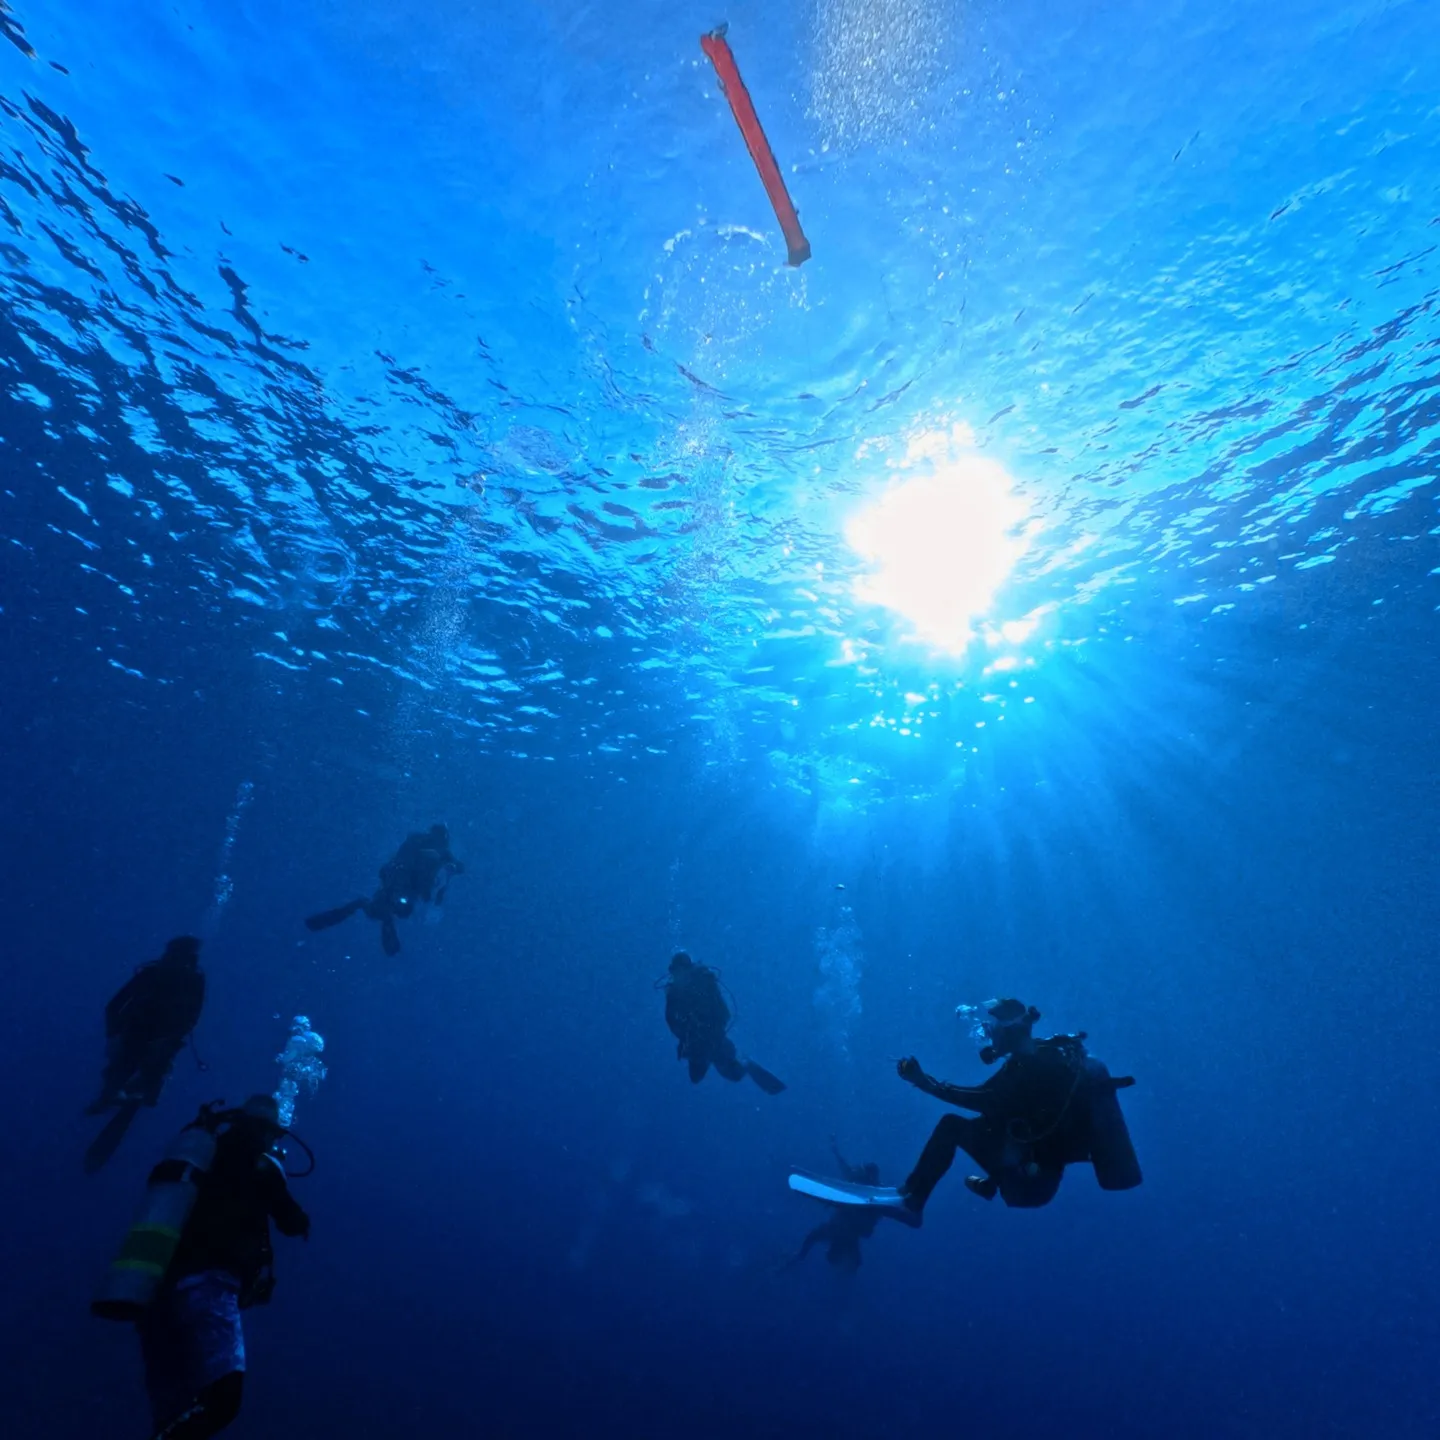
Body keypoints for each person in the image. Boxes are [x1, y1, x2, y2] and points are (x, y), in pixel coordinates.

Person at [137, 1095, 310, 1439]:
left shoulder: (205, 1152)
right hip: (208, 1286)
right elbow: (292, 1222)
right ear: (269, 1131)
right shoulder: (258, 1163)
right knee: (222, 1400)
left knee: (173, 1413)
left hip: (154, 1288)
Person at [894, 997, 1142, 1217]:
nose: (989, 1033)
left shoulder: (1028, 1071)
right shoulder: (1042, 1058)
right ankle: (983, 1183)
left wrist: (922, 1081)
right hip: (1037, 1178)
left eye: (995, 1028)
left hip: (1026, 1184)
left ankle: (913, 1201)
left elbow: (977, 1098)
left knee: (951, 1126)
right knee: (996, 1121)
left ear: (1011, 1032)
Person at [88, 937, 206, 1115]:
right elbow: (192, 1016)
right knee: (132, 1066)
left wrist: (113, 1033)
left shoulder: (179, 978)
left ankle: (132, 1087)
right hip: (141, 1030)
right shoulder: (180, 978)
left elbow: (114, 1005)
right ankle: (125, 1088)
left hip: (156, 1034)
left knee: (142, 1071)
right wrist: (114, 1034)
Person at [304, 824, 464, 956]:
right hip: (398, 885)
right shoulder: (417, 843)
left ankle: (371, 911)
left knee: (395, 910)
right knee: (385, 909)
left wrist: (451, 866)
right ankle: (368, 910)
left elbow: (459, 867)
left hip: (405, 888)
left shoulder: (443, 852)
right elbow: (400, 864)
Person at [661, 951, 786, 1095]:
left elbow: (719, 1013)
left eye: (677, 970)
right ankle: (742, 1063)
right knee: (696, 1077)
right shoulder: (675, 992)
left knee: (733, 1074)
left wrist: (703, 1031)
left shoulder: (701, 984)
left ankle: (745, 1063)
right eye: (673, 971)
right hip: (697, 1042)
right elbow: (672, 1020)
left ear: (683, 969)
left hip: (712, 1038)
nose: (675, 975)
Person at [783, 1141, 888, 1274]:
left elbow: (812, 1237)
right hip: (852, 1225)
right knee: (853, 1259)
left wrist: (800, 1255)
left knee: (822, 1237)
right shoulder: (844, 1239)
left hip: (848, 1223)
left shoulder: (833, 1232)